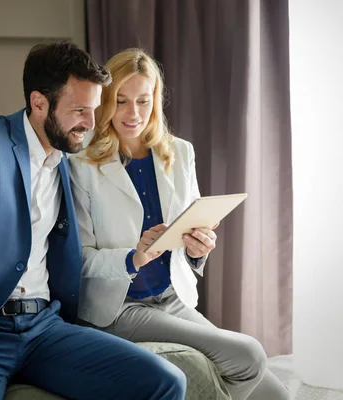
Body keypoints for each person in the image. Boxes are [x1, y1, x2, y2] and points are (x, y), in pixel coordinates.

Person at [0, 42, 186, 400]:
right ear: (39, 103)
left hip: (45, 327)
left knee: (167, 381)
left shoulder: (70, 160)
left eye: (95, 108)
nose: (91, 124)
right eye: (79, 110)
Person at [69, 48, 290, 400]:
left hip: (171, 298)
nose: (133, 113)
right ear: (106, 101)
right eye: (122, 101)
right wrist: (133, 257)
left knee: (277, 395)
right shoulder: (81, 165)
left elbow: (191, 231)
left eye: (143, 101)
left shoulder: (179, 152)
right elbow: (79, 259)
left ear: (155, 101)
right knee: (248, 355)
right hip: (120, 308)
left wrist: (197, 249)